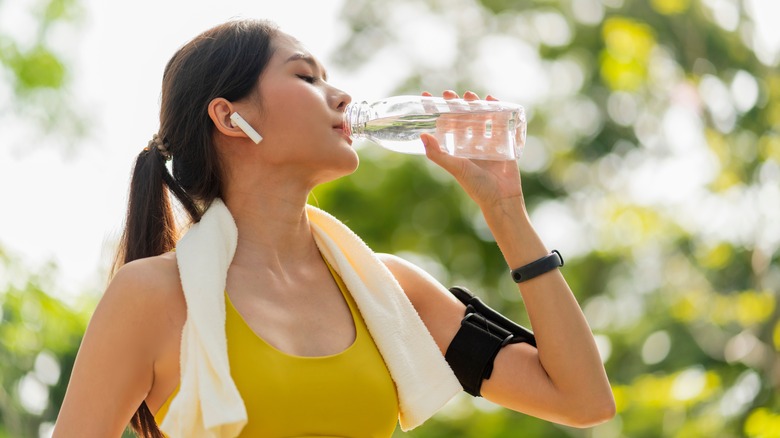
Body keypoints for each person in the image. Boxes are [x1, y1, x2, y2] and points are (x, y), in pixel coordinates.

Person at [53, 18, 615, 437]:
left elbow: (582, 399)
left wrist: (506, 212)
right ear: (230, 117)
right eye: (306, 76)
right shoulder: (152, 296)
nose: (342, 96)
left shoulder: (389, 291)